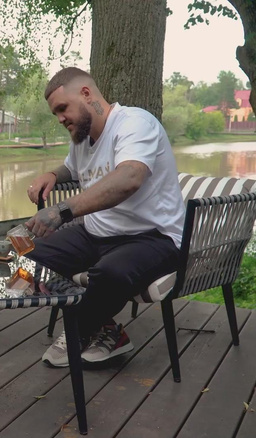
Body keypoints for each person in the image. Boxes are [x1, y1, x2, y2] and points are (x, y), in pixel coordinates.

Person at [25, 67, 185, 367]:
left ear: (86, 94)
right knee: (31, 254)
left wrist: (62, 210)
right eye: (55, 113)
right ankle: (108, 329)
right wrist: (52, 174)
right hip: (96, 233)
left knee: (110, 273)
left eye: (63, 108)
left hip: (153, 237)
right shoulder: (82, 138)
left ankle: (78, 329)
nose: (60, 119)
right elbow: (72, 168)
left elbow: (129, 177)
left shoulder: (135, 123)